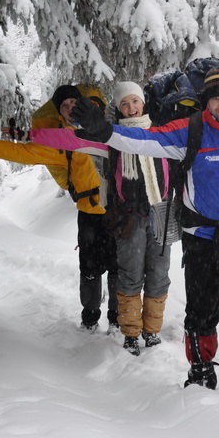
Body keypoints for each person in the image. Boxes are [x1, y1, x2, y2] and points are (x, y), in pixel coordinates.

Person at [71, 67, 219, 401]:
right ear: (206, 100)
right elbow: (145, 139)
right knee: (202, 309)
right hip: (201, 236)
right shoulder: (190, 129)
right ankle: (200, 370)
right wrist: (106, 132)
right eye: (216, 98)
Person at [0, 85, 119, 333]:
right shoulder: (58, 142)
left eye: (74, 101)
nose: (70, 107)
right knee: (91, 270)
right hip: (90, 213)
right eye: (64, 106)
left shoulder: (110, 127)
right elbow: (22, 153)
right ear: (60, 115)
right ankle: (91, 318)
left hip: (120, 211)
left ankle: (117, 318)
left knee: (120, 268)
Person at [25, 81, 173, 357]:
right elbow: (70, 140)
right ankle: (129, 331)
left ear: (143, 103)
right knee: (127, 274)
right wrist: (29, 135)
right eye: (124, 104)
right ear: (117, 107)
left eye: (135, 101)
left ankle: (152, 331)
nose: (131, 108)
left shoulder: (160, 133)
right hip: (128, 214)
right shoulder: (111, 137)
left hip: (160, 213)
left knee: (159, 274)